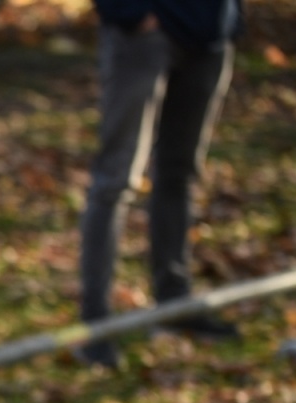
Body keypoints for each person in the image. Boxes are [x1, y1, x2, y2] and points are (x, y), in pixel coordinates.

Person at [76, 0, 244, 368]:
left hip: (211, 37)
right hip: (144, 35)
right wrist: (128, 13)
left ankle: (175, 303)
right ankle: (95, 326)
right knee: (116, 181)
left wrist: (230, 20)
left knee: (180, 174)